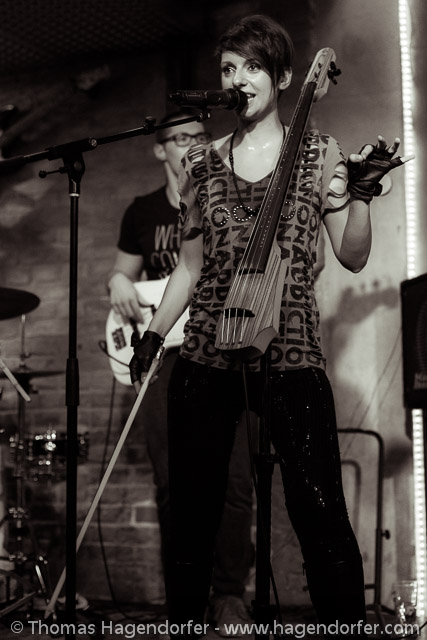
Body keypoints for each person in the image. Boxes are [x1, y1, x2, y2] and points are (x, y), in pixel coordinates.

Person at [129, 14, 410, 638]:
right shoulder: (202, 162)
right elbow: (190, 267)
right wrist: (153, 333)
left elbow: (353, 256)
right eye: (229, 68)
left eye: (253, 66)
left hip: (291, 347)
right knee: (193, 516)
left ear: (283, 78)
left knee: (320, 511)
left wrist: (361, 197)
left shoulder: (318, 152)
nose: (238, 78)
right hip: (206, 348)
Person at [107, 112, 254, 633]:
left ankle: (229, 595)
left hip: (223, 344)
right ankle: (183, 600)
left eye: (199, 135)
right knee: (171, 481)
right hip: (163, 354)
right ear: (160, 149)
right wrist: (116, 282)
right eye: (181, 137)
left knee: (235, 478)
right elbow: (124, 273)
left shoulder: (228, 196)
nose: (192, 144)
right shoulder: (142, 211)